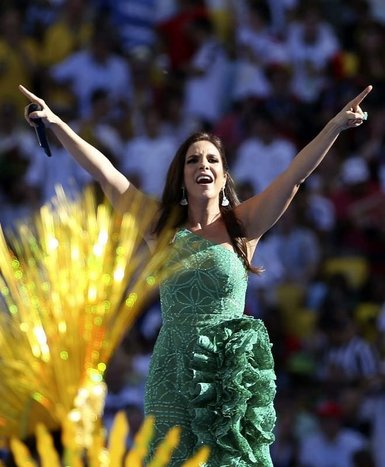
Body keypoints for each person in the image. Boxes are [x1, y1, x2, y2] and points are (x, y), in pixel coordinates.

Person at [18, 83, 372, 466]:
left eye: (211, 160)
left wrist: (334, 126)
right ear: (182, 179)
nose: (203, 165)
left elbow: (294, 177)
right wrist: (54, 122)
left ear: (222, 177)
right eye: (193, 160)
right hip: (171, 374)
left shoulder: (244, 225)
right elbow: (107, 174)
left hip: (228, 376)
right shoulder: (162, 228)